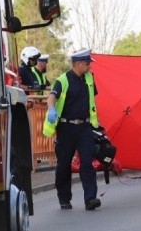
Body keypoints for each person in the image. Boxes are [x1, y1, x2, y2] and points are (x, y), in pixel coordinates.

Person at [43, 49, 102, 211]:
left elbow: (91, 100)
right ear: (77, 64)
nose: (90, 66)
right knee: (63, 164)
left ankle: (90, 198)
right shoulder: (63, 80)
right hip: (66, 128)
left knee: (87, 163)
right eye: (87, 63)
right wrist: (51, 109)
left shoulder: (89, 78)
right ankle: (64, 198)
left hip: (84, 127)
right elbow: (52, 96)